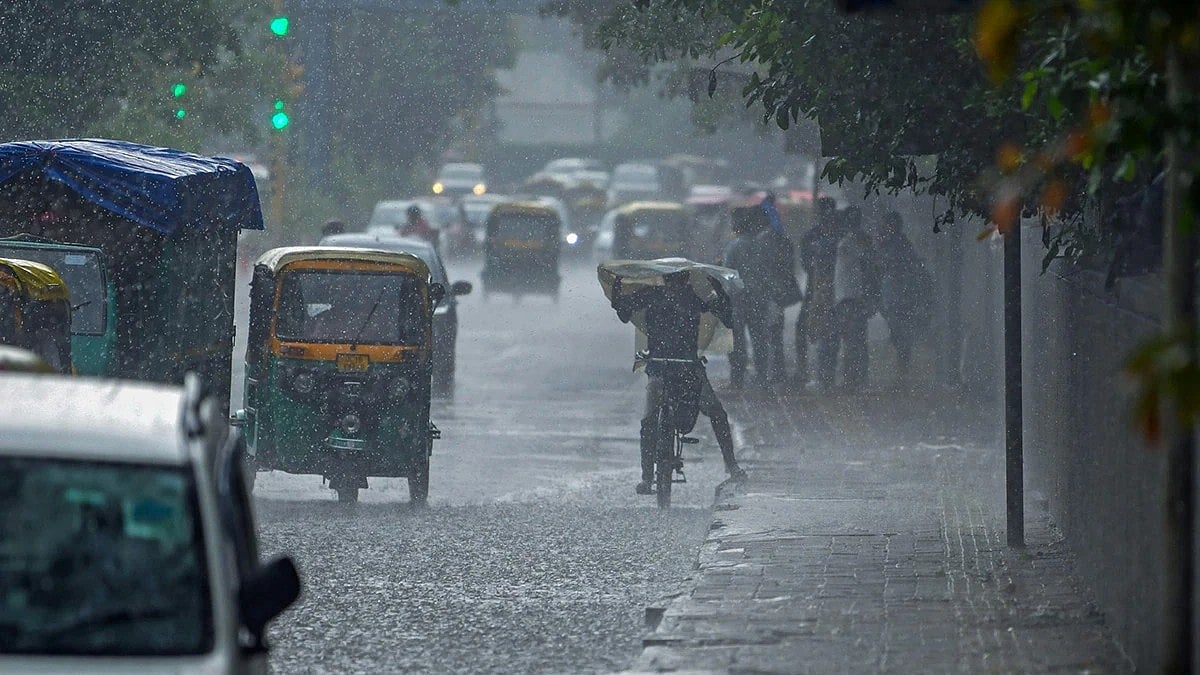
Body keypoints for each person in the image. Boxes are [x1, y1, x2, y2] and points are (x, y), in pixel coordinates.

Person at [610, 270, 746, 495]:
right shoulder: (690, 297)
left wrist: (617, 288)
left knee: (650, 420)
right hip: (686, 368)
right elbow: (726, 315)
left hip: (663, 368)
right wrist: (718, 290)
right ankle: (731, 466)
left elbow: (623, 312)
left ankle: (647, 478)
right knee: (715, 414)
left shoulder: (653, 295)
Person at [876, 211, 932, 386]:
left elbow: (897, 266)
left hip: (899, 293)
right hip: (895, 294)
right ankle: (902, 368)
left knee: (899, 330)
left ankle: (902, 369)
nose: (887, 228)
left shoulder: (898, 244)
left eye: (889, 225)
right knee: (899, 330)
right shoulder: (890, 243)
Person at [831, 206, 879, 392]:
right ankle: (858, 378)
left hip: (849, 298)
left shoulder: (850, 243)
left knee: (851, 341)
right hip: (853, 297)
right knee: (856, 339)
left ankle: (852, 379)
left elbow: (863, 270)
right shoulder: (861, 242)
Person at [799, 198, 841, 391]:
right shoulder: (838, 236)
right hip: (827, 289)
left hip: (820, 290)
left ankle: (820, 374)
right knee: (829, 331)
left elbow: (807, 263)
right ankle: (825, 375)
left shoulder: (815, 237)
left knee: (822, 331)